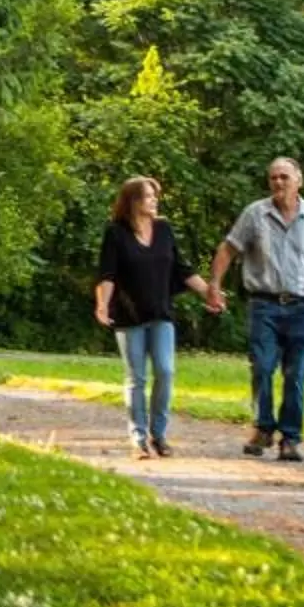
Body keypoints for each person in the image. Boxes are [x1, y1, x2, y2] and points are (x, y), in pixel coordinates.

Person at [204, 156, 304, 462]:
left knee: (296, 374)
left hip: (303, 306)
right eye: (273, 178)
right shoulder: (255, 214)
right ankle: (263, 427)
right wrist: (214, 284)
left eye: (284, 177)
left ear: (299, 181)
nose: (278, 182)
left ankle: (290, 438)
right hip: (263, 304)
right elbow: (227, 249)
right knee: (262, 367)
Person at [93, 176, 214, 459]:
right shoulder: (115, 233)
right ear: (133, 201)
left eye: (154, 195)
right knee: (136, 378)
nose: (154, 200)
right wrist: (102, 305)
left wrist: (209, 293)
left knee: (165, 371)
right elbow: (107, 274)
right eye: (148, 196)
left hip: (161, 313)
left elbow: (182, 269)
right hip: (129, 315)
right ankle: (138, 438)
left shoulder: (164, 229)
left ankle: (158, 434)